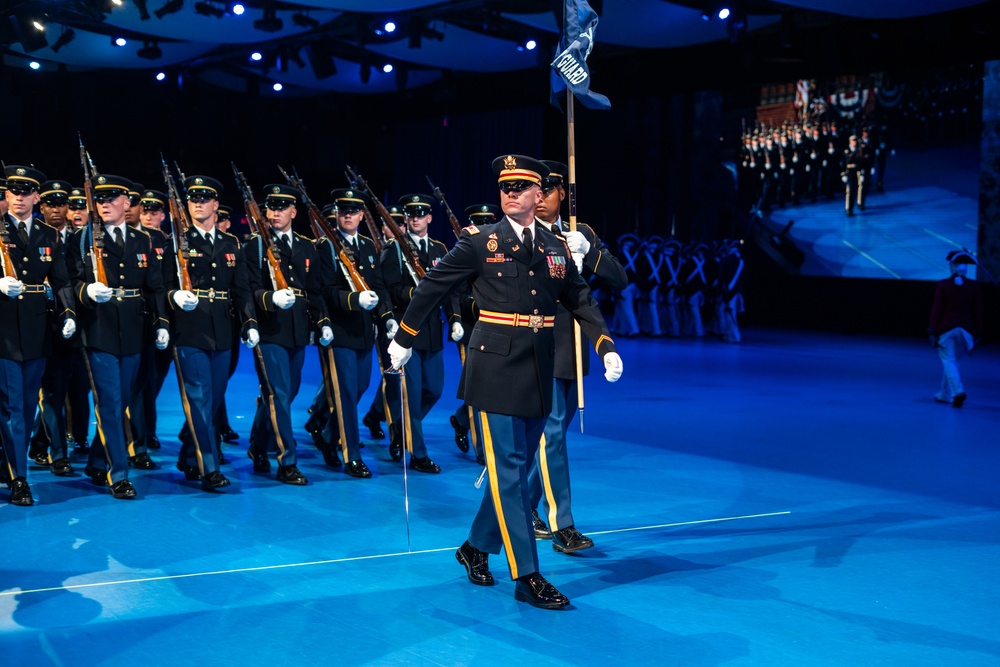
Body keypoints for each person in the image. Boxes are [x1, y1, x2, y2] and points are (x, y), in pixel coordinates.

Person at [387, 155, 623, 610]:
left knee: (518, 472)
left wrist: (604, 343)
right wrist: (405, 338)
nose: (512, 192)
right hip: (493, 367)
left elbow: (577, 295)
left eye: (522, 186)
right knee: (511, 472)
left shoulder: (555, 246)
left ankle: (476, 546)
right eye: (505, 186)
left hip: (539, 363)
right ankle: (527, 574)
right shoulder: (480, 242)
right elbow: (431, 287)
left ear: (541, 194)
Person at [526, 160, 628, 553]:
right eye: (536, 191)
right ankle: (561, 524)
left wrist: (590, 255)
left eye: (548, 191)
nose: (540, 199)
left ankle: (523, 506)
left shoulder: (579, 232)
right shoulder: (528, 234)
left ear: (561, 194)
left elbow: (619, 277)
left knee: (553, 436)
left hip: (574, 350)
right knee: (551, 435)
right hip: (541, 346)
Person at [67, 173, 169, 499]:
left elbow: (154, 287)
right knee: (110, 403)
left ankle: (98, 461)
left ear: (127, 203)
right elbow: (68, 284)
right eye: (100, 199)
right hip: (99, 331)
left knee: (122, 401)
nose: (105, 204)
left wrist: (162, 322)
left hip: (134, 330)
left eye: (112, 199)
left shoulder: (142, 241)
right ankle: (118, 473)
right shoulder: (83, 239)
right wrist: (85, 292)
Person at [235, 183, 332, 485]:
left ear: (293, 211)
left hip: (297, 330)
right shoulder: (254, 246)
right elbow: (247, 288)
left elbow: (315, 291)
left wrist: (322, 321)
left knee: (283, 395)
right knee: (280, 394)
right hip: (268, 330)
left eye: (281, 207)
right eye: (270, 207)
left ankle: (256, 443)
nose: (274, 212)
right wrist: (267, 300)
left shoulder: (306, 246)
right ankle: (286, 461)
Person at [0, 166, 76, 505]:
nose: (17, 196)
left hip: (36, 329)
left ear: (36, 198)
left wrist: (68, 313)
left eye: (24, 191)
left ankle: (7, 465)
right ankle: (20, 479)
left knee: (28, 405)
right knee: (13, 405)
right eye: (12, 190)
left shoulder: (50, 235)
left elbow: (61, 280)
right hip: (2, 330)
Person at [166, 175, 243, 490]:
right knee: (199, 398)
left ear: (215, 205)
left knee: (212, 400)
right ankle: (208, 466)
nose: (197, 204)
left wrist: (248, 322)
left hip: (223, 328)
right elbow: (161, 286)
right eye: (192, 199)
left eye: (203, 199)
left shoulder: (230, 244)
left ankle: (188, 456)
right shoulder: (177, 241)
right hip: (190, 328)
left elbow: (240, 288)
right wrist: (173, 297)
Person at [313, 189, 396, 478]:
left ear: (361, 215)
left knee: (359, 388)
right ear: (336, 213)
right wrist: (353, 300)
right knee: (347, 393)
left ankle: (327, 433)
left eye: (353, 210)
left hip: (364, 332)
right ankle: (352, 455)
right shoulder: (325, 247)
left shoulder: (369, 246)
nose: (348, 215)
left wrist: (386, 317)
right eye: (343, 210)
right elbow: (323, 290)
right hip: (338, 331)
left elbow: (379, 285)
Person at [380, 193, 459, 473]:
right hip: (407, 329)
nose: (414, 219)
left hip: (433, 330)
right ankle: (418, 454)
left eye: (420, 214)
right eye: (410, 215)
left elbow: (449, 288)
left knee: (434, 389)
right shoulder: (394, 250)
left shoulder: (439, 249)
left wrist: (455, 318)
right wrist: (417, 294)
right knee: (410, 396)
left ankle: (401, 430)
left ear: (429, 218)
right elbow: (390, 289)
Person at [28, 179, 80, 475]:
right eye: (50, 204)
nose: (56, 209)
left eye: (62, 204)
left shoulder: (79, 239)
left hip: (67, 324)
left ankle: (46, 444)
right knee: (40, 394)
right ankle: (55, 452)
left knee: (56, 393)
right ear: (41, 205)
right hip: (36, 321)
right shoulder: (27, 235)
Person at [448, 203, 500, 465]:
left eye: (486, 222)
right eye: (477, 223)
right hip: (471, 328)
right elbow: (456, 293)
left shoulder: (500, 248)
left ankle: (460, 417)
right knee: (477, 388)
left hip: (499, 327)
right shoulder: (465, 250)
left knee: (492, 386)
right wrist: (461, 316)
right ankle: (483, 450)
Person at [928, 250, 983, 408]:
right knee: (953, 362)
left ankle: (958, 392)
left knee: (949, 361)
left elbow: (936, 309)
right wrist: (979, 332)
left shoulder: (943, 284)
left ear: (952, 267)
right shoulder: (974, 286)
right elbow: (978, 311)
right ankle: (944, 394)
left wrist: (932, 330)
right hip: (965, 330)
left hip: (947, 329)